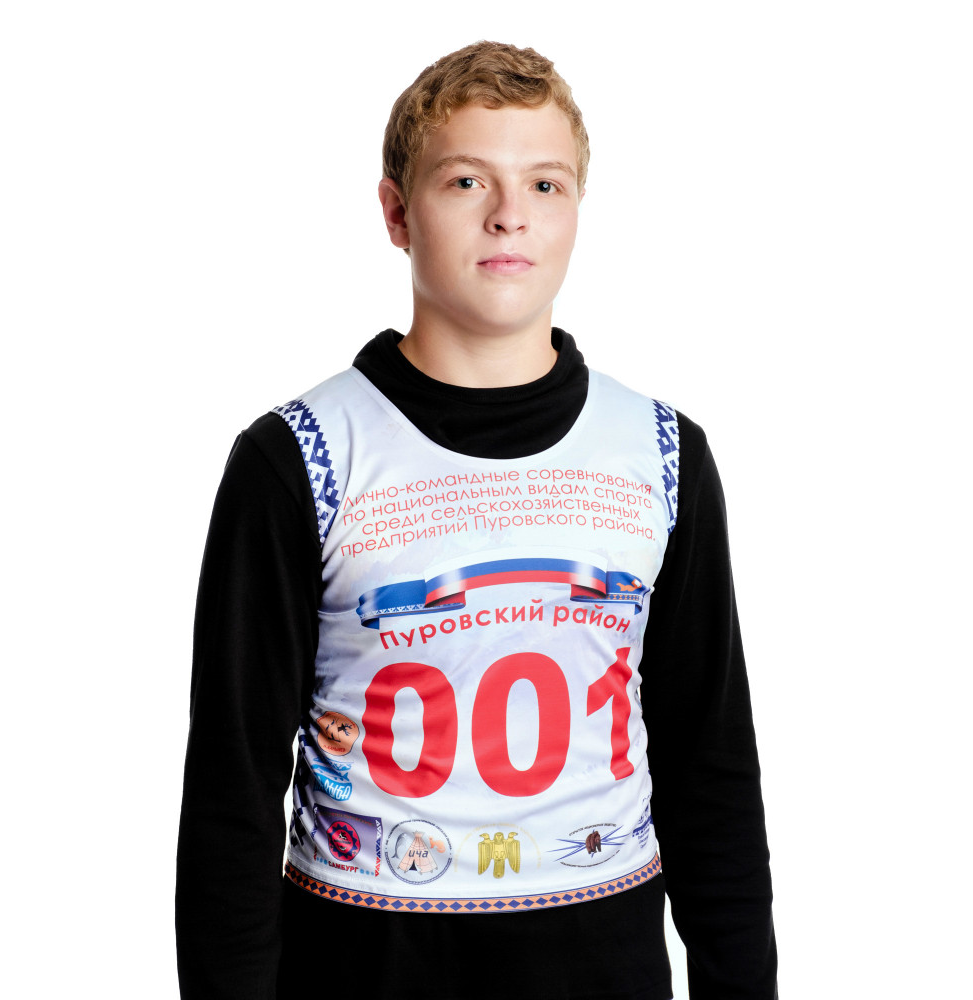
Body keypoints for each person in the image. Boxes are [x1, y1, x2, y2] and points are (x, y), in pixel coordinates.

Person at [176, 41, 778, 1000]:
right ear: (396, 212)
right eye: (466, 181)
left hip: (605, 969)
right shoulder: (297, 458)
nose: (510, 213)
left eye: (545, 183)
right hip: (360, 969)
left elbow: (711, 767)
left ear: (577, 208)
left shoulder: (661, 452)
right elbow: (231, 794)